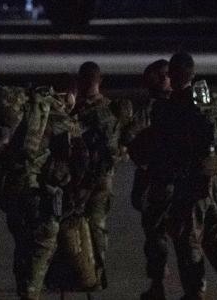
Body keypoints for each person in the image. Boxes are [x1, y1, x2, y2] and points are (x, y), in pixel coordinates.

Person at [132, 52, 217, 300]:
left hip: (192, 184)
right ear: (194, 74)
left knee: (188, 240)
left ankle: (195, 290)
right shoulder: (215, 100)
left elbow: (160, 148)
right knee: (214, 237)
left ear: (172, 77)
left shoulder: (170, 108)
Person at [0, 80, 80, 300]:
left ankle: (24, 291)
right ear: (68, 94)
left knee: (22, 245)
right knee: (42, 247)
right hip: (36, 193)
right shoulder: (57, 114)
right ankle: (30, 294)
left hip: (9, 189)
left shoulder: (27, 108)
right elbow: (76, 148)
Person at [70, 61, 127, 290]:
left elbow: (108, 154)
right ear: (99, 81)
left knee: (90, 225)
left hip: (94, 178)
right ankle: (91, 271)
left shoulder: (96, 111)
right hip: (95, 178)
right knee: (95, 225)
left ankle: (93, 272)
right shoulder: (105, 109)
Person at [125, 59, 175, 295]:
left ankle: (158, 284)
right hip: (182, 182)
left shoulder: (149, 110)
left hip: (157, 182)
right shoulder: (186, 106)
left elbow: (130, 140)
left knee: (156, 235)